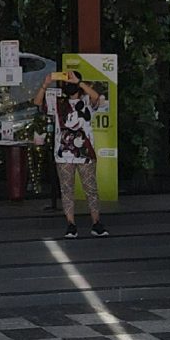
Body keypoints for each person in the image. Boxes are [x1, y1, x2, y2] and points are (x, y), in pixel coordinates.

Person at [36, 71, 110, 238]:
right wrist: (45, 84)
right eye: (67, 82)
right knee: (67, 190)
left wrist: (79, 82)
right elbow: (38, 102)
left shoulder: (86, 102)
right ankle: (71, 224)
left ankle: (96, 222)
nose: (69, 85)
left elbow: (97, 97)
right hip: (64, 154)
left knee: (91, 189)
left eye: (72, 82)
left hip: (85, 153)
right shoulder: (58, 103)